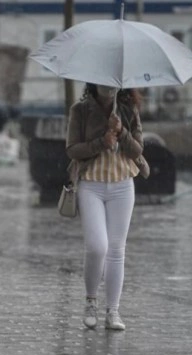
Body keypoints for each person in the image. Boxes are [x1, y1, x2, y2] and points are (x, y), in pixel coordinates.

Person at [65, 83, 148, 331]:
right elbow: (72, 150)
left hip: (123, 184)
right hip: (91, 184)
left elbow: (138, 150)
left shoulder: (128, 108)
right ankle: (91, 300)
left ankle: (113, 310)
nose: (107, 87)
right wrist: (103, 141)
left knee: (116, 249)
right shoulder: (80, 110)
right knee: (96, 246)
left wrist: (122, 132)